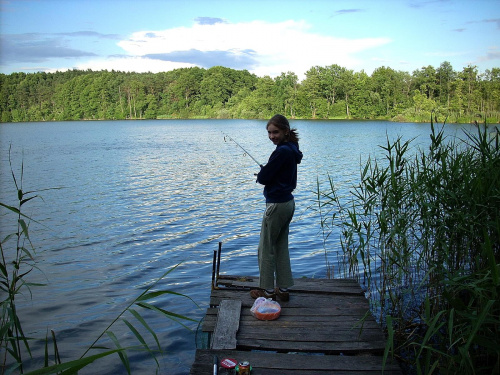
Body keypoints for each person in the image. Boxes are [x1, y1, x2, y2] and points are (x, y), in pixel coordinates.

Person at [251, 114, 303, 302]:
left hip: (276, 205)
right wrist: (268, 171)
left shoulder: (281, 152)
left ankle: (267, 290)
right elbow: (277, 172)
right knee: (280, 246)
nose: (272, 136)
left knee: (265, 248)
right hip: (288, 203)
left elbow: (264, 178)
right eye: (269, 133)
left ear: (286, 131)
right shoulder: (292, 149)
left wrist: (262, 174)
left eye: (276, 132)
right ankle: (283, 289)